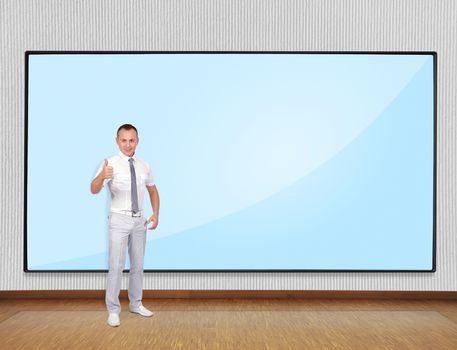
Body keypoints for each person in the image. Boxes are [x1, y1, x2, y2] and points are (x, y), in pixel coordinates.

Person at [91, 123, 160, 327]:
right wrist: (102, 176)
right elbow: (93, 189)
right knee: (116, 265)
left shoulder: (144, 165)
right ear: (117, 141)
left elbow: (153, 190)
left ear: (137, 141)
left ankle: (136, 304)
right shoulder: (109, 164)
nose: (128, 145)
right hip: (118, 220)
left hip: (139, 220)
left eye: (131, 140)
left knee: (138, 266)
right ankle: (113, 310)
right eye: (124, 140)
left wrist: (155, 214)